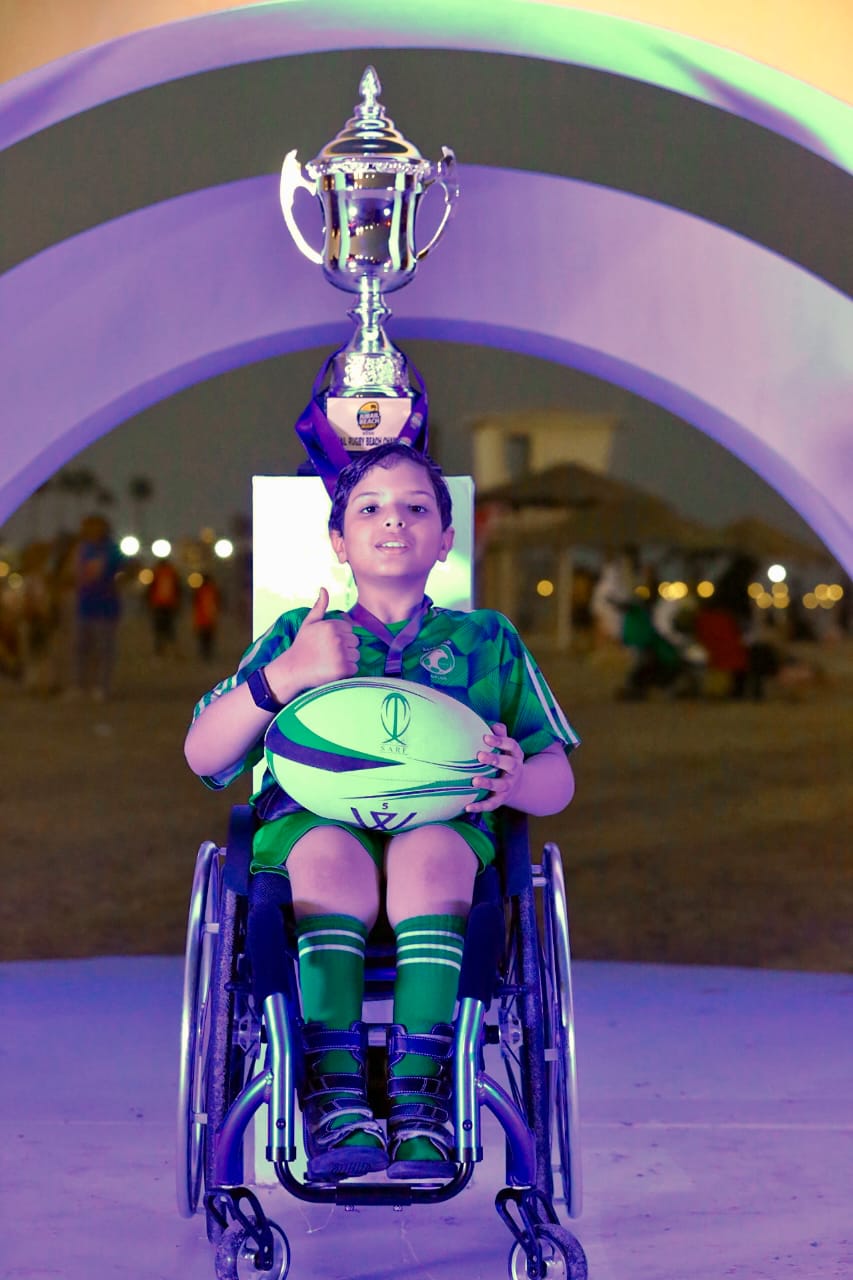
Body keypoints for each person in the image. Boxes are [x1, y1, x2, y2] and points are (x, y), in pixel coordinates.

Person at [184, 442, 579, 1183]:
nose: (393, 520)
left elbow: (557, 781)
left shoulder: (486, 641)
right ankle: (333, 1096)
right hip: (312, 828)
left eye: (415, 507)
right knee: (328, 854)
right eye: (369, 508)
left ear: (446, 539)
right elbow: (205, 755)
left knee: (431, 851)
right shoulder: (298, 637)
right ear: (339, 541)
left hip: (443, 832)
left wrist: (517, 779)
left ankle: (421, 1099)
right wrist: (285, 677)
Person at [69, 514, 124, 700]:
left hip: (106, 608)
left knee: (104, 650)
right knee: (80, 649)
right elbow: (75, 574)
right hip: (85, 606)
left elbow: (123, 571)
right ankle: (79, 685)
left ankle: (102, 686)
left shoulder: (112, 550)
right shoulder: (82, 549)